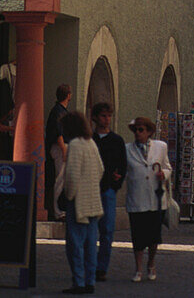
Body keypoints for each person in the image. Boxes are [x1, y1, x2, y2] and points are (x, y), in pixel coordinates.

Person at [60, 110, 104, 296]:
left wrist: (68, 195)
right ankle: (89, 281)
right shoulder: (91, 143)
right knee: (90, 245)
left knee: (75, 245)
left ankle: (78, 281)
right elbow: (101, 169)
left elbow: (71, 176)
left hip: (79, 202)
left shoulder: (75, 145)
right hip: (93, 201)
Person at [125, 116, 172, 283]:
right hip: (137, 198)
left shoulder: (161, 147)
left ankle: (151, 263)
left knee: (153, 236)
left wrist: (164, 174)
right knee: (137, 237)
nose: (138, 133)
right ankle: (138, 268)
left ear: (149, 132)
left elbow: (167, 167)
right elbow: (123, 171)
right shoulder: (127, 149)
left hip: (156, 198)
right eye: (136, 130)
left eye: (141, 130)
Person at [91, 102, 127, 282]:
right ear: (96, 117)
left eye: (109, 115)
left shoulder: (116, 141)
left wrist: (116, 183)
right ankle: (90, 265)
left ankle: (101, 268)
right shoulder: (90, 140)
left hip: (108, 191)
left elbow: (123, 165)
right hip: (91, 190)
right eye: (104, 115)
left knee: (107, 231)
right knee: (89, 231)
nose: (107, 119)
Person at [45, 83, 72, 220]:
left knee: (62, 179)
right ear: (68, 95)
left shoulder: (60, 110)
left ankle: (61, 209)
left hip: (62, 147)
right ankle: (57, 211)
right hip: (60, 148)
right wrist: (64, 150)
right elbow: (58, 133)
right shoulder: (58, 111)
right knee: (60, 179)